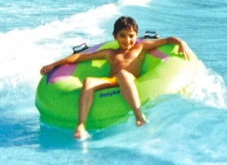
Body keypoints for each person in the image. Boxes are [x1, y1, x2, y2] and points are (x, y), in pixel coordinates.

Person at [40, 16, 195, 140]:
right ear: (115, 36)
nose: (127, 40)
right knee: (88, 81)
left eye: (131, 36)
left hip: (132, 80)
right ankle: (81, 125)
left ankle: (139, 117)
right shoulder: (110, 53)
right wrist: (54, 65)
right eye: (122, 36)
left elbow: (168, 40)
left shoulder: (140, 47)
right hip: (112, 81)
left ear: (136, 35)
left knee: (122, 74)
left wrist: (181, 43)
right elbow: (80, 58)